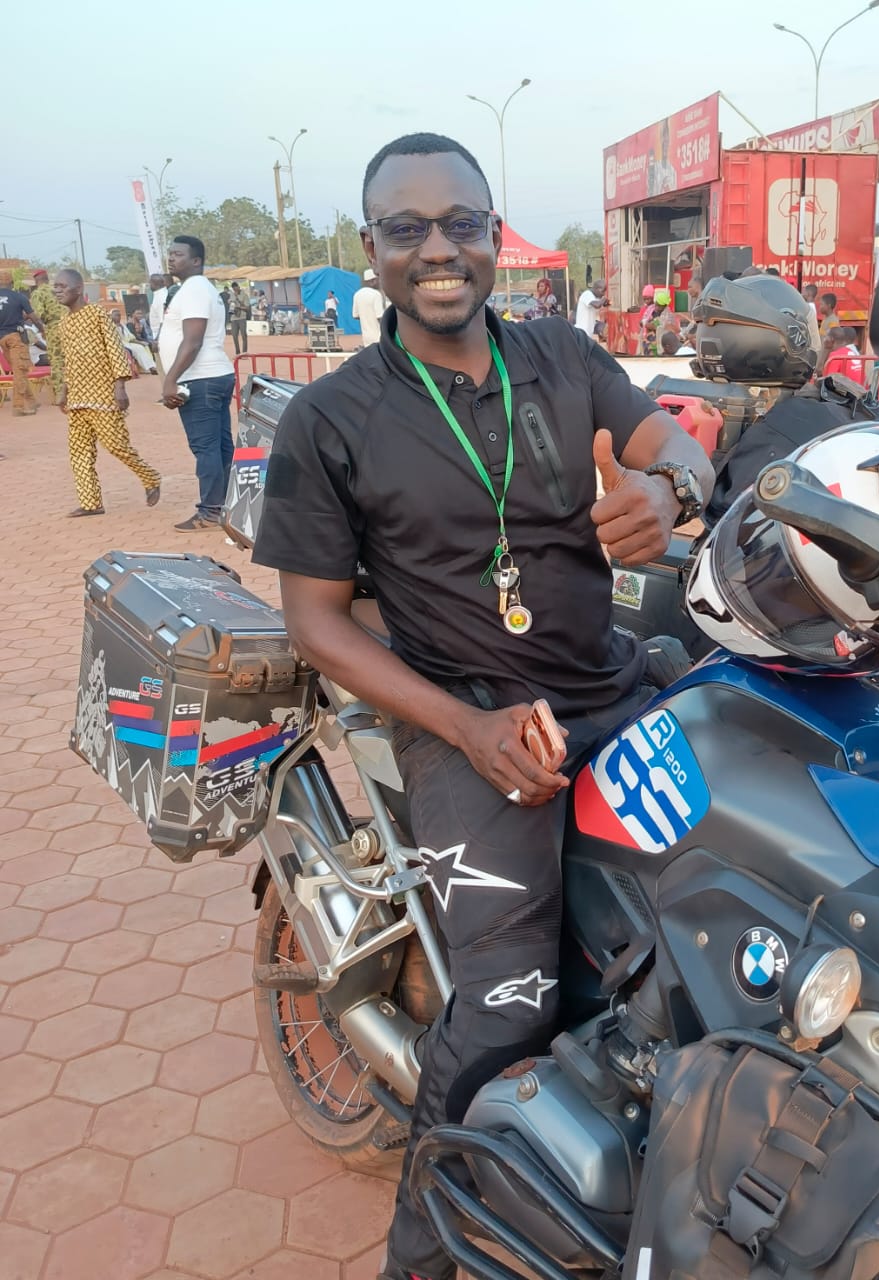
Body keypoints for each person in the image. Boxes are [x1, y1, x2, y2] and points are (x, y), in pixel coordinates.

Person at [250, 130, 713, 1280]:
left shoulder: (565, 357)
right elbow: (316, 622)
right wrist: (465, 727)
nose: (439, 250)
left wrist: (662, 490)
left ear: (493, 231)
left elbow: (682, 453)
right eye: (407, 230)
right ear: (373, 251)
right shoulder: (333, 419)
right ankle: (424, 1248)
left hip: (607, 681)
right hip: (466, 722)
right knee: (509, 1004)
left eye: (462, 222)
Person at [51, 269, 161, 517]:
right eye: (54, 286)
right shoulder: (64, 322)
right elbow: (70, 359)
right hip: (77, 397)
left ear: (78, 289)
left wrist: (120, 386)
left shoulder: (97, 314)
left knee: (116, 445)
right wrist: (64, 390)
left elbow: (115, 349)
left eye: (61, 286)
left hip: (103, 395)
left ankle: (150, 477)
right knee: (79, 451)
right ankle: (91, 503)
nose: (56, 290)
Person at [158, 234, 237, 531]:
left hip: (200, 378)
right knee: (219, 446)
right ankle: (228, 504)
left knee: (206, 448)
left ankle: (210, 511)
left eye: (178, 254)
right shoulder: (197, 288)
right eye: (170, 253)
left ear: (196, 261)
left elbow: (192, 341)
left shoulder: (193, 290)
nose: (171, 258)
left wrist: (170, 380)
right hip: (212, 375)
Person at [0, 269, 42, 417]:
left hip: (2, 340)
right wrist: (42, 330)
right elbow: (34, 318)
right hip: (15, 337)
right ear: (11, 283)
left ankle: (31, 400)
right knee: (20, 372)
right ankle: (18, 407)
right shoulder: (18, 297)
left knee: (20, 371)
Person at [28, 268, 67, 398]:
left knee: (56, 362)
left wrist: (42, 328)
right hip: (69, 326)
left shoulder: (38, 293)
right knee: (72, 359)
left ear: (36, 280)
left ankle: (60, 394)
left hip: (54, 328)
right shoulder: (57, 291)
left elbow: (38, 314)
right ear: (47, 279)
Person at [353, 268, 387, 347]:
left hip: (366, 338)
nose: (380, 282)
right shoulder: (376, 294)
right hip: (379, 337)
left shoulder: (357, 295)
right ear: (373, 281)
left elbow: (355, 316)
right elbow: (380, 317)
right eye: (378, 280)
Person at [228, 282, 250, 355]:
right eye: (233, 289)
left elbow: (247, 307)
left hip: (242, 317)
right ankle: (237, 352)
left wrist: (238, 306)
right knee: (234, 336)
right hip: (234, 317)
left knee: (243, 335)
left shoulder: (244, 295)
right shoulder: (232, 295)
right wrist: (230, 302)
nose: (235, 290)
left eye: (236, 288)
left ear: (238, 287)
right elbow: (229, 302)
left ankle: (244, 352)